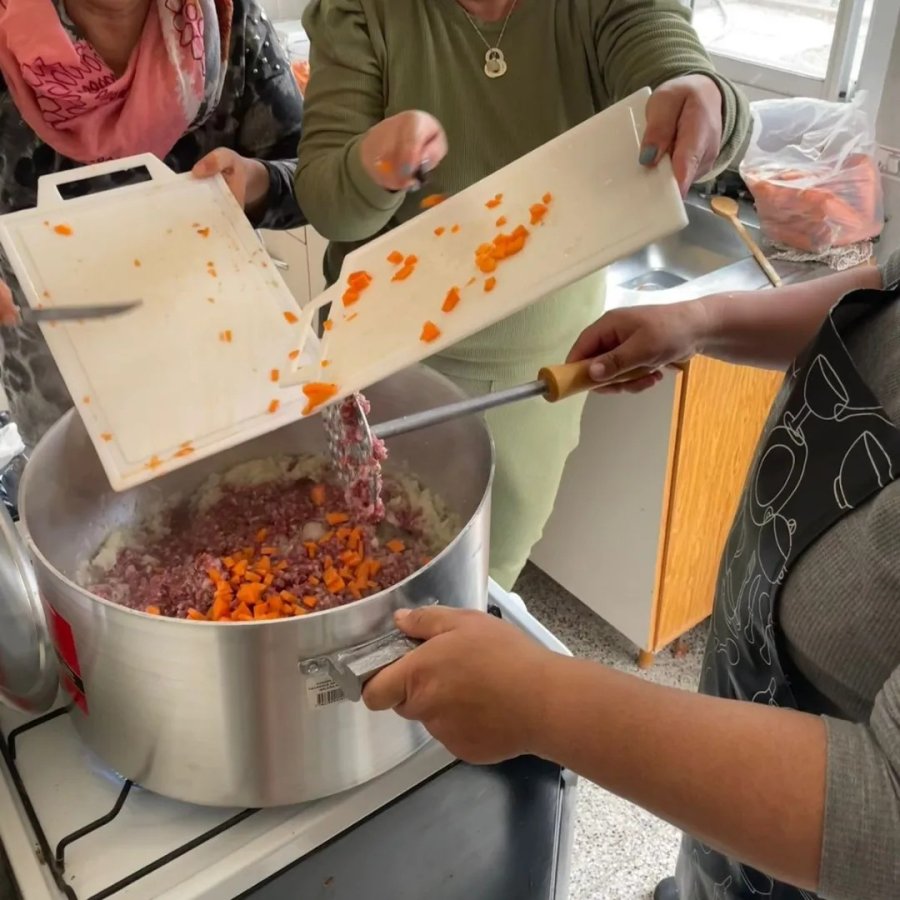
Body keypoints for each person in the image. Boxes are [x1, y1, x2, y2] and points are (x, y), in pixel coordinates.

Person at [362, 252, 900, 899]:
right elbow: (888, 290)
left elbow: (884, 823)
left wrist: (539, 700)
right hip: (751, 745)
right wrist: (705, 321)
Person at [294, 0, 750, 590]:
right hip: (381, 367)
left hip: (536, 376)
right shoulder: (361, 11)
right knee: (347, 568)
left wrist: (703, 93)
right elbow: (328, 203)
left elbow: (666, 52)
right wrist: (370, 164)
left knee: (481, 580)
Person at [0, 0, 305, 451]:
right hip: (62, 383)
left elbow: (310, 178)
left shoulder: (229, 20)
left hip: (222, 361)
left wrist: (255, 182)